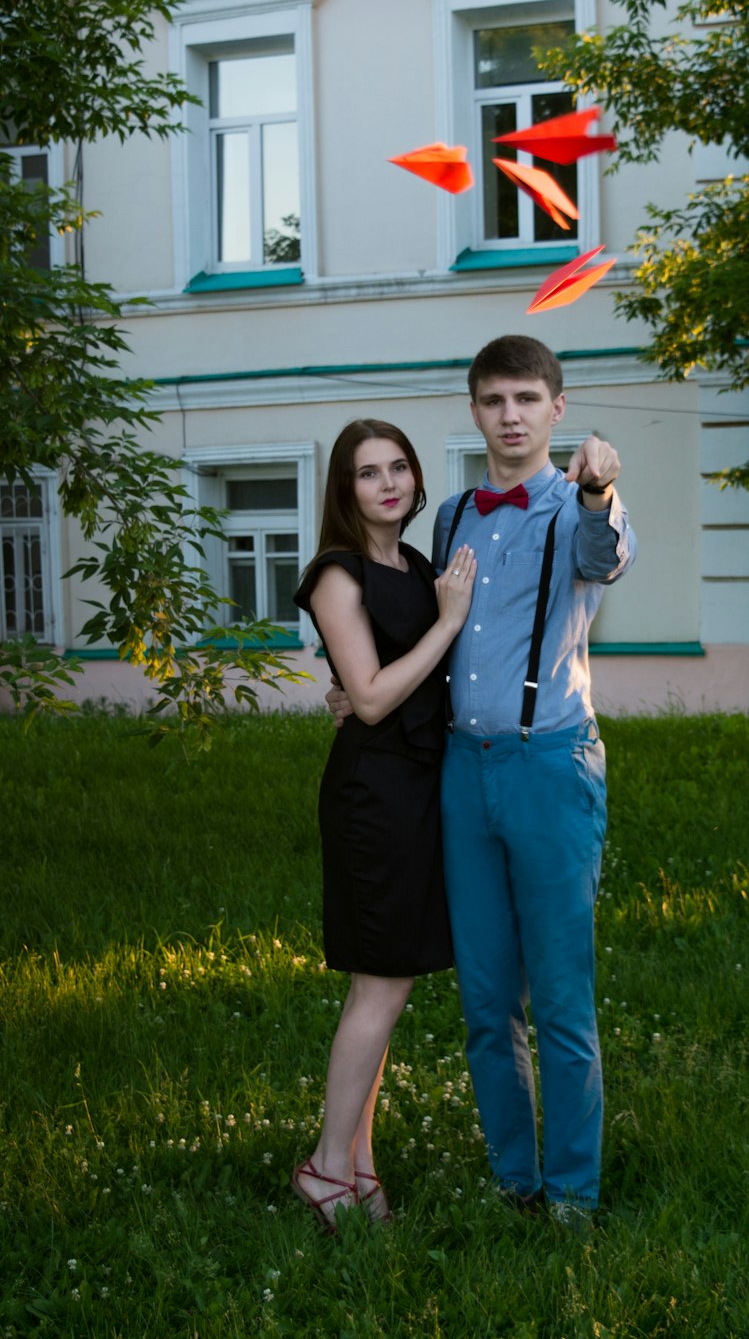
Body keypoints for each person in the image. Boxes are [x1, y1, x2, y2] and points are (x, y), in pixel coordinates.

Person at [329, 336, 636, 1226]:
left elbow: (602, 554)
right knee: (486, 1000)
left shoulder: (582, 506)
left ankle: (575, 1196)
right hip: (462, 774)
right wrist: (354, 693)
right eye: (495, 400)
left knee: (564, 1003)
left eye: (527, 400)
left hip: (551, 768)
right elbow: (431, 637)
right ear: (475, 412)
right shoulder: (453, 515)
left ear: (556, 408)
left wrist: (600, 487)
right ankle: (516, 1182)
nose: (511, 416)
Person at [291, 418, 477, 1232]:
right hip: (376, 796)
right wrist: (446, 622)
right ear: (345, 490)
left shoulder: (419, 566)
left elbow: (386, 689)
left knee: (391, 986)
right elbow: (367, 695)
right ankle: (326, 1167)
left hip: (419, 784)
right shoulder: (338, 572)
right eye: (368, 473)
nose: (388, 483)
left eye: (399, 466)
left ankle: (358, 1163)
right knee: (380, 983)